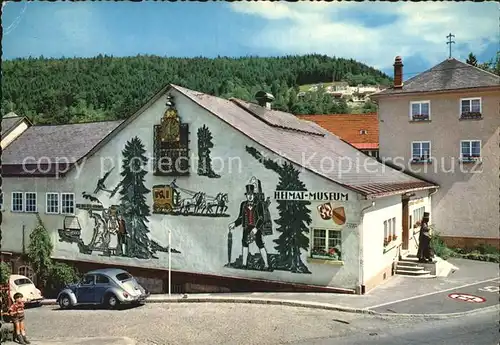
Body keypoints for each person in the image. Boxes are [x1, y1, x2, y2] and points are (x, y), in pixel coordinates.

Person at [228, 184, 272, 271]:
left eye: (251, 194)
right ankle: (244, 264)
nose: (250, 196)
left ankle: (267, 265)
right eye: (248, 194)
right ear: (246, 195)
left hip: (256, 228)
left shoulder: (258, 204)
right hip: (246, 227)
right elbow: (240, 218)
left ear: (254, 195)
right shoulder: (243, 205)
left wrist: (256, 229)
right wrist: (234, 224)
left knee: (260, 244)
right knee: (244, 243)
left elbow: (261, 218)